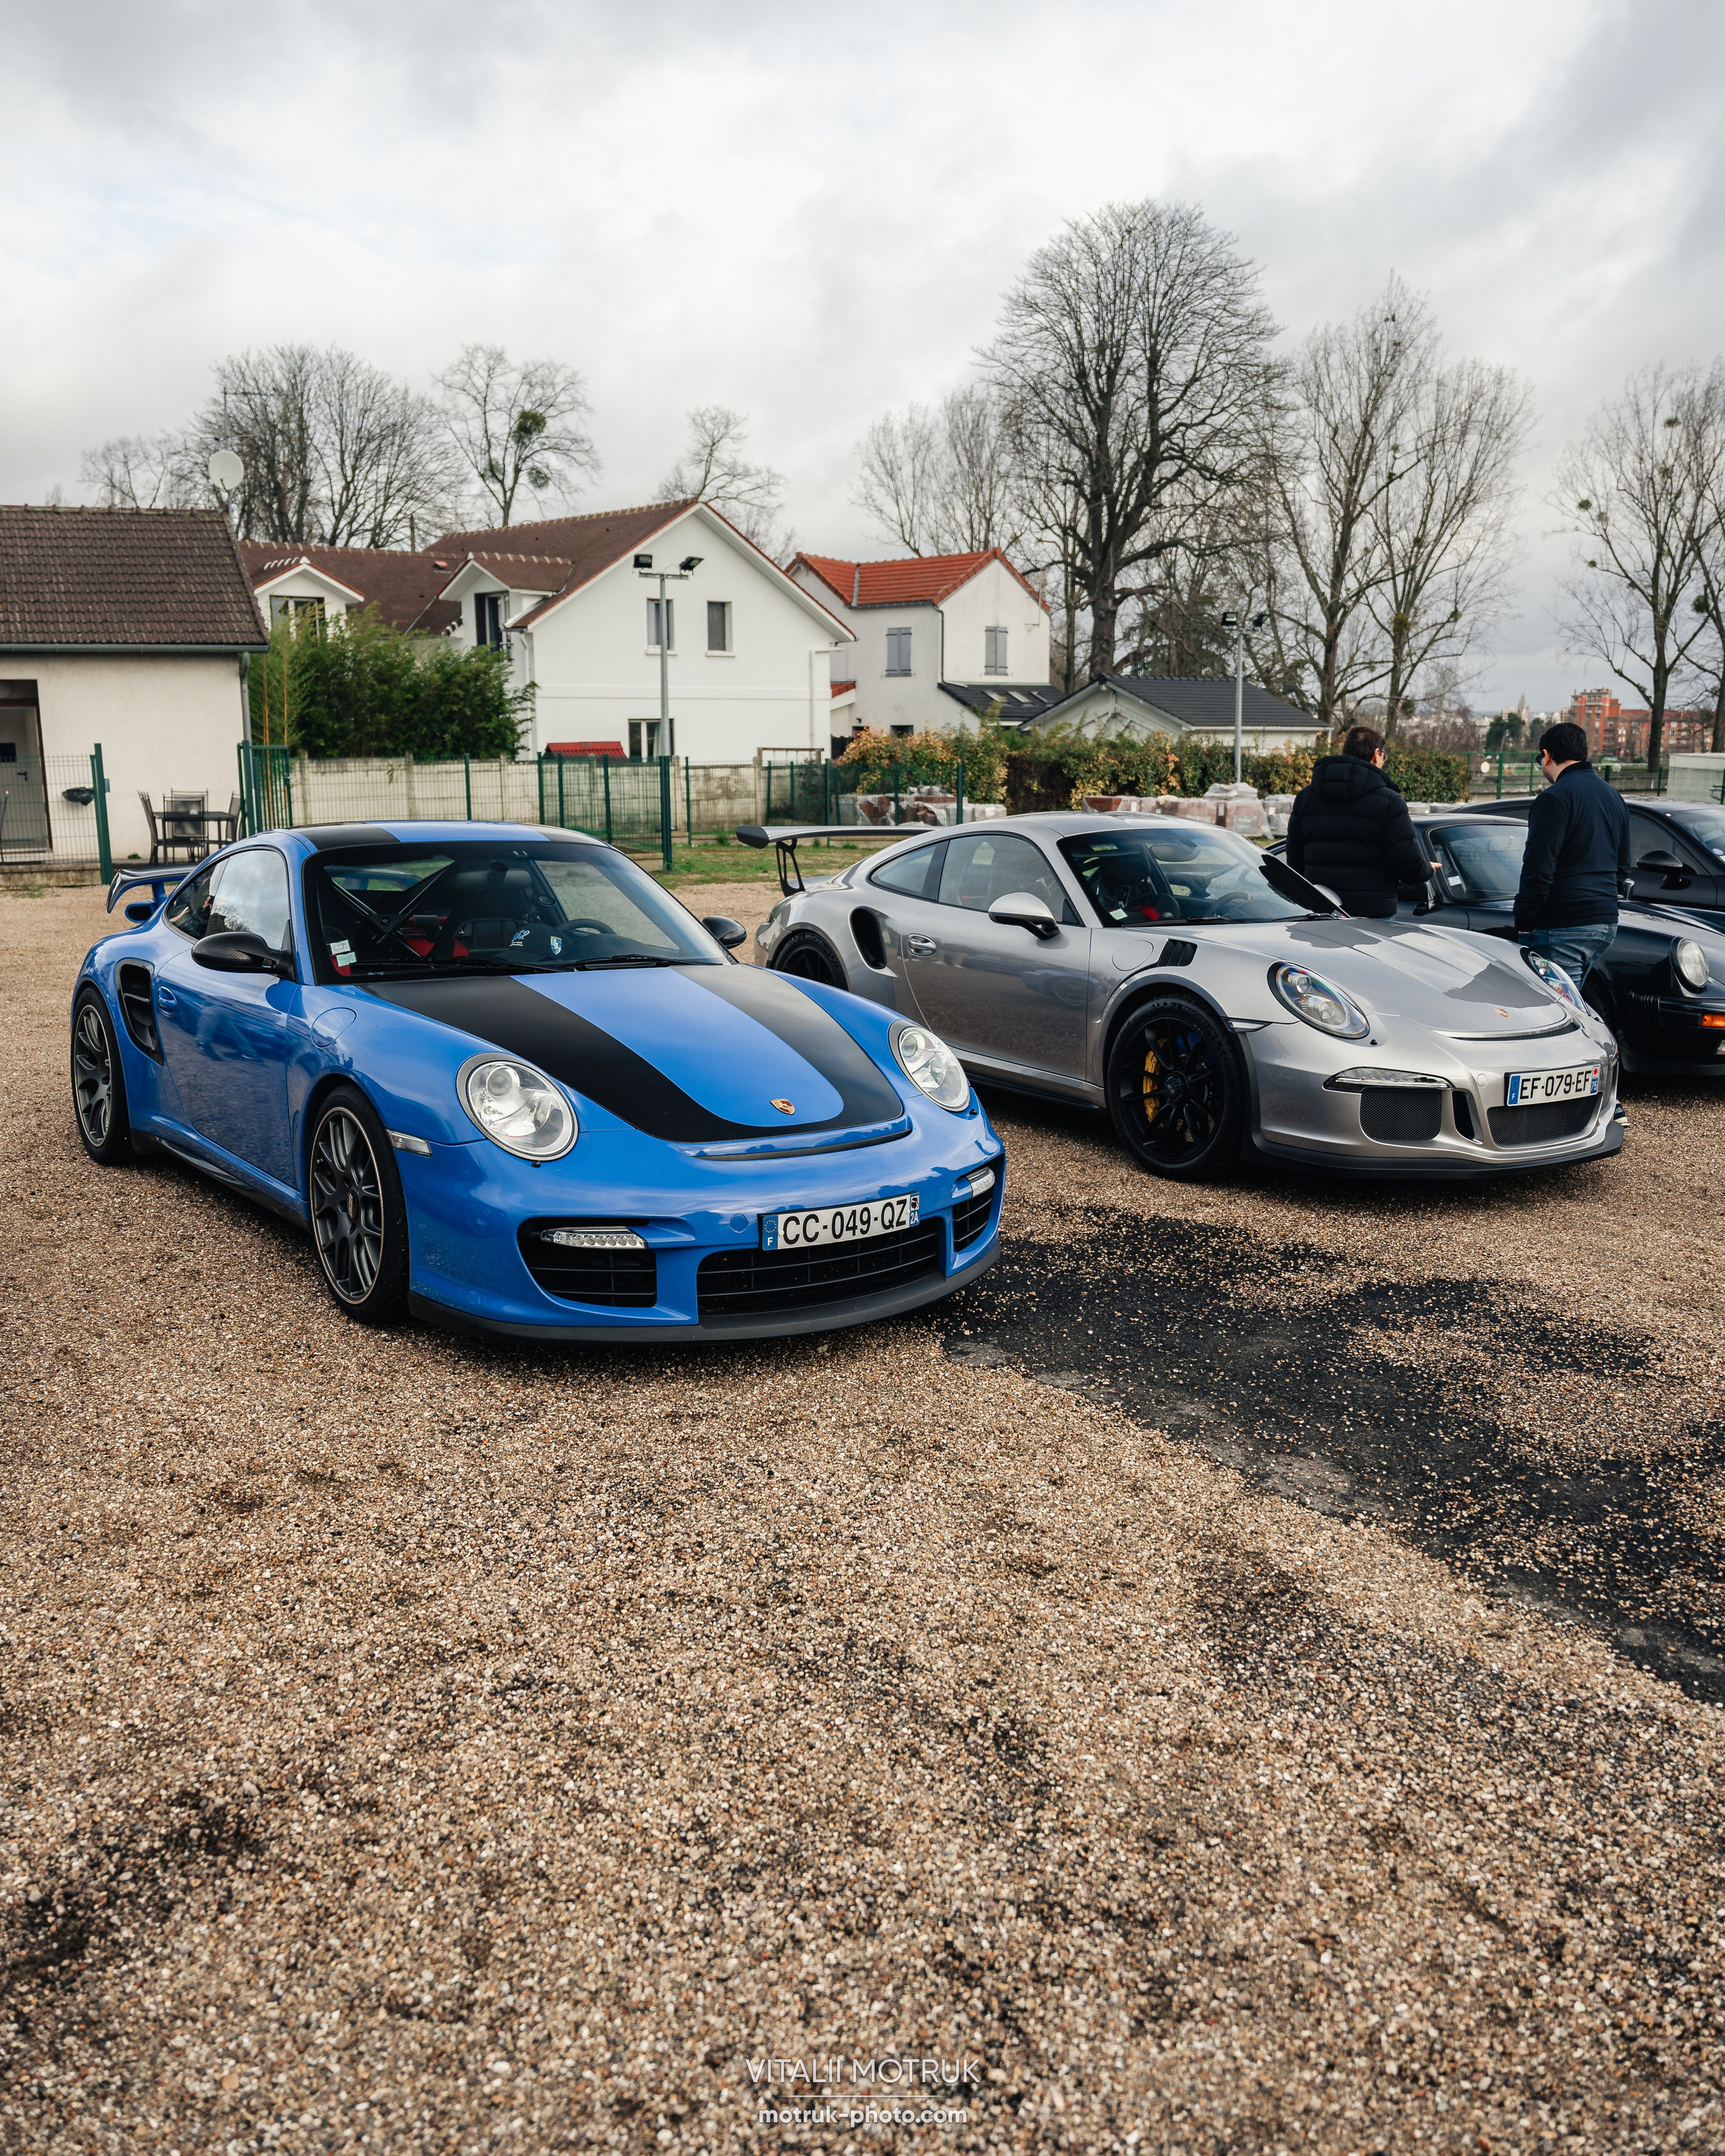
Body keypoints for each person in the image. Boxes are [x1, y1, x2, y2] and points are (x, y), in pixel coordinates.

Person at [1513, 720, 1631, 989]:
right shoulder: (1614, 797)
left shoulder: (1554, 798)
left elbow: (1539, 867)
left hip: (1562, 923)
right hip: (1605, 920)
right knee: (1573, 1001)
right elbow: (1623, 867)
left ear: (1546, 756)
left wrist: (1524, 920)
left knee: (1558, 1011)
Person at [1286, 725, 1430, 917]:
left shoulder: (1306, 797)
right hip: (1374, 911)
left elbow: (1295, 857)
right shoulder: (1390, 801)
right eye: (1383, 756)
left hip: (1321, 908)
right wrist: (1427, 869)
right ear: (1376, 754)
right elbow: (1406, 863)